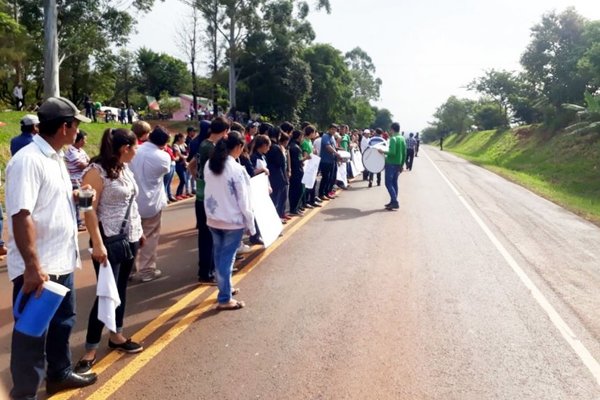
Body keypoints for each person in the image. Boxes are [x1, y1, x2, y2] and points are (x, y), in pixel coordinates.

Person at [5, 96, 96, 398]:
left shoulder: (55, 157)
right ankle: (26, 394)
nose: (77, 132)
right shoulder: (28, 160)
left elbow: (47, 200)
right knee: (32, 334)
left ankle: (59, 374)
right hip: (40, 267)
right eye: (75, 126)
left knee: (63, 323)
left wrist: (75, 194)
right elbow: (21, 215)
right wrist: (32, 267)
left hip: (60, 260)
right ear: (64, 127)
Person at [74, 128, 144, 375]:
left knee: (121, 288)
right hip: (107, 240)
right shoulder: (95, 172)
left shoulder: (124, 168)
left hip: (129, 237)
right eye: (136, 147)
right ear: (125, 148)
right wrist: (97, 242)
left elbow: (131, 203)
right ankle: (90, 348)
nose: (137, 151)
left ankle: (116, 335)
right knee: (106, 292)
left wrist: (140, 231)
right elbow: (86, 207)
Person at [203, 131, 255, 310]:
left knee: (219, 256)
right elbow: (244, 200)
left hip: (213, 218)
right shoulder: (236, 169)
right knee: (227, 259)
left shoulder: (210, 164)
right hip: (232, 221)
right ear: (239, 147)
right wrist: (250, 223)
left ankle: (226, 288)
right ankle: (224, 298)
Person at [188, 117, 229, 284]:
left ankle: (209, 269)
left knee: (207, 235)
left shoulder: (203, 144)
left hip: (202, 196)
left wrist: (198, 181)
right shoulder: (211, 148)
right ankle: (206, 272)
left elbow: (191, 165)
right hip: (209, 199)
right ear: (225, 131)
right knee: (209, 236)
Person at [130, 126, 171, 283]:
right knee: (150, 236)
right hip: (151, 202)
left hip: (132, 201)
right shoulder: (163, 156)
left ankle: (129, 270)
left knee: (131, 236)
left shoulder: (135, 150)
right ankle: (147, 270)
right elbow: (165, 171)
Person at [64, 131, 91, 231]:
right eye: (85, 140)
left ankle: (83, 221)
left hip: (82, 180)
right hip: (75, 181)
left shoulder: (81, 150)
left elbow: (88, 161)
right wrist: (89, 165)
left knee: (84, 203)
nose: (86, 142)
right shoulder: (71, 151)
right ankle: (77, 222)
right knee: (76, 203)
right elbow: (81, 165)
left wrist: (88, 164)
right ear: (79, 140)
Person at [382, 122, 406, 210]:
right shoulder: (402, 138)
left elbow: (392, 152)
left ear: (392, 129)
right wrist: (402, 164)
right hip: (398, 163)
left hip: (391, 163)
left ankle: (395, 202)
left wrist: (383, 151)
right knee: (394, 182)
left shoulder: (393, 139)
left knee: (388, 183)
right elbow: (404, 153)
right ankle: (393, 201)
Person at [266, 127, 289, 223]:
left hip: (270, 176)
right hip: (277, 176)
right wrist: (283, 153)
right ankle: (274, 221)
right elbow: (281, 163)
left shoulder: (269, 146)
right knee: (275, 201)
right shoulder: (276, 147)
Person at [318, 124, 341, 201]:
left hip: (332, 161)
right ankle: (321, 194)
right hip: (325, 161)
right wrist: (336, 153)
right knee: (325, 178)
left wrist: (339, 150)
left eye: (335, 130)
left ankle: (327, 193)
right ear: (329, 129)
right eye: (332, 129)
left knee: (330, 178)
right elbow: (328, 147)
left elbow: (333, 147)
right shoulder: (325, 136)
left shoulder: (332, 137)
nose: (334, 131)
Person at [288, 130, 305, 216]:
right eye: (302, 136)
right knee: (297, 191)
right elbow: (298, 161)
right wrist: (305, 158)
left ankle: (295, 208)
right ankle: (294, 209)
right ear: (299, 137)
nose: (303, 138)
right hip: (297, 172)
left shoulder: (292, 146)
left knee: (294, 191)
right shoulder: (296, 148)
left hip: (295, 172)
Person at [172, 133, 191, 200]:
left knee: (185, 179)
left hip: (184, 164)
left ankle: (181, 193)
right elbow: (179, 155)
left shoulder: (184, 144)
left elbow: (188, 152)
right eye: (184, 138)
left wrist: (186, 157)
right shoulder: (175, 145)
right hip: (179, 164)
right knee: (182, 179)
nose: (185, 140)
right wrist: (186, 157)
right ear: (179, 138)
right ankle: (177, 194)